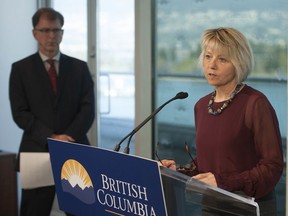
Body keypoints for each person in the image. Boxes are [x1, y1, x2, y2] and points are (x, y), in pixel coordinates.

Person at [160, 27, 283, 215]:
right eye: (208, 56)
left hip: (248, 209)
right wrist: (179, 171)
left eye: (222, 59)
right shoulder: (201, 106)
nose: (212, 65)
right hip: (211, 206)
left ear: (238, 63)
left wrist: (224, 182)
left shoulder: (255, 103)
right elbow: (210, 163)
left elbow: (272, 167)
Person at [9, 7, 95, 216]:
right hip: (37, 150)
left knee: (82, 207)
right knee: (34, 209)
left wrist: (67, 138)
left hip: (75, 148)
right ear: (35, 33)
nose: (51, 36)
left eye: (56, 30)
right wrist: (52, 137)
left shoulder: (79, 68)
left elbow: (88, 109)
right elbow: (20, 113)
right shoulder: (20, 69)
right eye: (45, 30)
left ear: (62, 33)